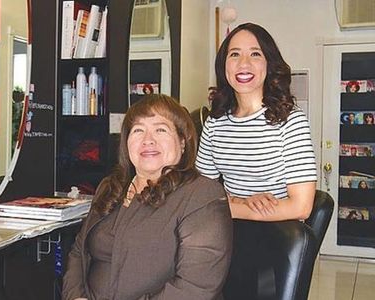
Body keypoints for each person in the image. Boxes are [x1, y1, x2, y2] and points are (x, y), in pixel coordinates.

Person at [63, 94, 233, 300]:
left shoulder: (201, 194)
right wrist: (76, 297)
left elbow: (195, 287)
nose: (148, 140)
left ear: (182, 142)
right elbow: (78, 251)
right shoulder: (110, 186)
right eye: (138, 130)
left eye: (160, 129)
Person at [196, 23, 317, 221]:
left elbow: (301, 207)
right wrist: (243, 201)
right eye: (234, 54)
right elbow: (200, 192)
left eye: (255, 54)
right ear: (223, 65)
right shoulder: (215, 122)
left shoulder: (291, 121)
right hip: (225, 233)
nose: (244, 63)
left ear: (269, 64)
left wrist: (229, 208)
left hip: (275, 237)